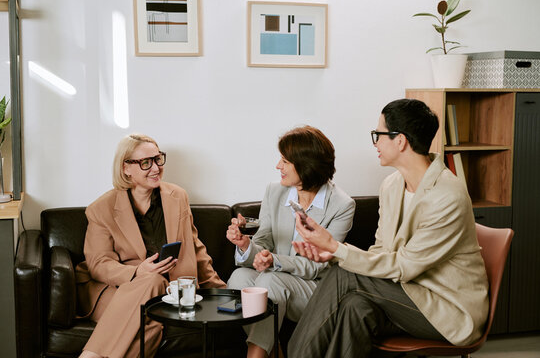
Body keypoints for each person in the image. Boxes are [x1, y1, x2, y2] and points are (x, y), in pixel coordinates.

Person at [288, 99, 489, 358]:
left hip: (448, 309)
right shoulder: (392, 186)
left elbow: (405, 266)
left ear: (400, 140)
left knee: (344, 275)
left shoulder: (447, 196)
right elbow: (382, 251)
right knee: (355, 306)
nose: (375, 143)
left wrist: (335, 248)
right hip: (408, 295)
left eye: (378, 135)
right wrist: (334, 254)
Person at [76, 133, 226, 358]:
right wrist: (137, 272)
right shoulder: (102, 208)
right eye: (146, 162)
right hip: (117, 291)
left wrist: (221, 291)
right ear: (126, 168)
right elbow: (98, 263)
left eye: (158, 159)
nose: (155, 168)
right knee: (152, 297)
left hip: (167, 293)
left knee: (154, 314)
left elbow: (194, 247)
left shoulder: (177, 197)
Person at [226, 125, 356, 358]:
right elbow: (264, 240)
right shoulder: (274, 192)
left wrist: (273, 260)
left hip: (314, 289)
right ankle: (273, 348)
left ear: (306, 165)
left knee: (271, 281)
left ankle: (256, 354)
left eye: (285, 161)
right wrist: (246, 245)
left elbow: (317, 265)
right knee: (239, 278)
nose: (278, 166)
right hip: (275, 279)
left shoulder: (342, 205)